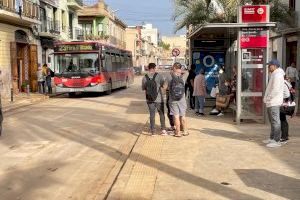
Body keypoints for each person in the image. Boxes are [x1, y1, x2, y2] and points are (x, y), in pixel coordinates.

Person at [263, 59, 285, 148]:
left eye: (270, 65)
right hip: (271, 102)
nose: (268, 67)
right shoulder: (274, 74)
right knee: (273, 122)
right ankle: (272, 138)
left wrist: (268, 98)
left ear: (275, 66)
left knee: (276, 122)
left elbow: (275, 89)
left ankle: (277, 141)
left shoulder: (278, 75)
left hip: (274, 102)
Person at [142, 63, 167, 136]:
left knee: (152, 115)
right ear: (154, 68)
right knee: (161, 114)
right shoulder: (159, 76)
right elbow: (163, 86)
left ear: (148, 68)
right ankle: (163, 130)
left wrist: (147, 98)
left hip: (149, 99)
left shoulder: (144, 77)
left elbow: (144, 89)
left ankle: (153, 131)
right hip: (159, 99)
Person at [167, 63, 188, 137]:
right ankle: (185, 131)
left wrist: (172, 72)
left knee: (176, 116)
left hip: (173, 100)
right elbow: (187, 72)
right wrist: (180, 71)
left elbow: (165, 87)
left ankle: (178, 132)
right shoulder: (183, 77)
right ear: (180, 68)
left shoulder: (170, 77)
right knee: (183, 116)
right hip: (182, 99)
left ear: (174, 68)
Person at [280, 77, 293, 144]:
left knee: (282, 120)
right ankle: (285, 136)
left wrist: (281, 98)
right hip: (285, 103)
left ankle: (284, 137)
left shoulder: (282, 83)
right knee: (283, 120)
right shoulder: (286, 82)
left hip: (283, 103)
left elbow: (287, 94)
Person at [166, 67, 175, 133]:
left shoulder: (168, 77)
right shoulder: (179, 76)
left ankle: (172, 126)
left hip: (170, 97)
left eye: (170, 70)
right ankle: (180, 127)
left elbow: (164, 87)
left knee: (170, 112)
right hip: (178, 98)